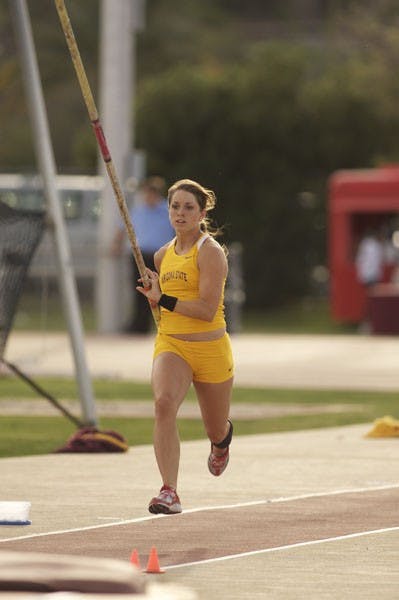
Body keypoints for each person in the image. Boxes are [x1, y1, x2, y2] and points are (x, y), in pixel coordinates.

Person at [136, 178, 234, 515]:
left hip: (210, 349)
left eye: (188, 207)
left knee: (215, 428)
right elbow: (161, 310)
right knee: (163, 405)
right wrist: (153, 295)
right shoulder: (162, 255)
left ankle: (221, 443)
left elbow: (207, 310)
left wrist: (162, 296)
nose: (180, 213)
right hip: (172, 345)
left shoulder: (210, 253)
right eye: (175, 206)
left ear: (201, 212)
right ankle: (169, 491)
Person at [110, 176, 174, 333]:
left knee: (162, 290)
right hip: (140, 257)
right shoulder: (139, 210)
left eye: (152, 194)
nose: (149, 197)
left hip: (161, 257)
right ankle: (139, 325)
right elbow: (122, 227)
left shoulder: (167, 211)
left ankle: (163, 324)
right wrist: (116, 244)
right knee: (140, 291)